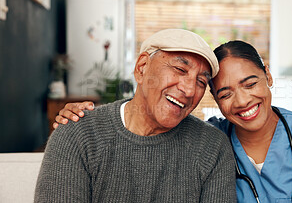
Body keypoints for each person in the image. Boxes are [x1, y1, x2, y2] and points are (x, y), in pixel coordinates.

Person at [55, 40, 292, 203]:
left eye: (250, 83)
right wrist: (82, 118)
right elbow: (158, 119)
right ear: (216, 101)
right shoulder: (210, 139)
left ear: (268, 76)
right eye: (226, 93)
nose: (243, 102)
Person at [35, 29, 237, 202]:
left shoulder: (212, 146)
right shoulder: (77, 134)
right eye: (179, 69)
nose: (190, 90)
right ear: (142, 68)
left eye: (201, 82)